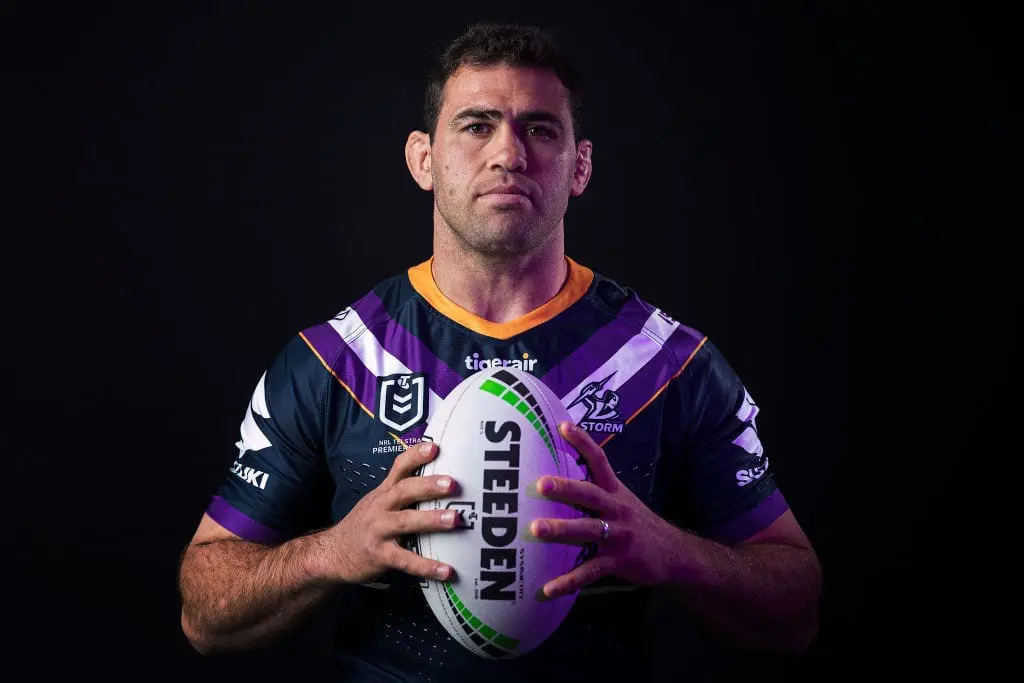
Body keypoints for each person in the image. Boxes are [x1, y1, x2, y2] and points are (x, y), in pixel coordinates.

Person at [177, 21, 822, 683]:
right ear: (424, 159)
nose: (509, 153)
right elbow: (204, 611)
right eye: (477, 125)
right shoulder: (335, 360)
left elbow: (798, 608)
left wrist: (674, 553)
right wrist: (331, 552)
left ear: (580, 166)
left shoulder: (663, 364)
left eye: (539, 129)